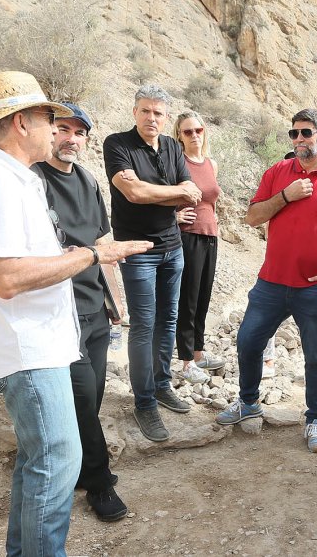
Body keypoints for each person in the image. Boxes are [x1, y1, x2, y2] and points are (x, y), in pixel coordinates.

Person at [0, 71, 151, 556]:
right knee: (58, 460)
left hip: (37, 343)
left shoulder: (10, 178)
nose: (55, 126)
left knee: (39, 461)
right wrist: (90, 256)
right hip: (27, 349)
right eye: (47, 117)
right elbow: (9, 277)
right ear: (22, 122)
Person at [215, 109, 317, 453]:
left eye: (306, 133)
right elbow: (253, 217)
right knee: (249, 342)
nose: (299, 139)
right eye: (294, 133)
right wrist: (286, 195)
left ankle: (315, 418)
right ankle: (248, 402)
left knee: (315, 356)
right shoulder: (278, 173)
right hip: (271, 283)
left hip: (316, 287)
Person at [33, 103, 128, 522]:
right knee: (84, 398)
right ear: (49, 132)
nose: (72, 138)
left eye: (80, 132)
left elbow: (101, 248)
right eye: (63, 129)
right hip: (59, 313)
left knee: (92, 398)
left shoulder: (88, 181)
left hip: (94, 311)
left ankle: (80, 469)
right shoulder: (33, 181)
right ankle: (99, 482)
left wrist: (114, 303)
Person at [103, 84, 203, 443]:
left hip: (173, 247)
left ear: (165, 118)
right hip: (138, 250)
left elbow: (192, 190)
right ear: (135, 112)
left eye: (158, 113)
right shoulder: (117, 145)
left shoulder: (174, 146)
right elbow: (134, 193)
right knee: (144, 324)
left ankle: (161, 385)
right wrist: (171, 193)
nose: (151, 118)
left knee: (169, 319)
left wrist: (160, 193)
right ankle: (143, 401)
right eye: (145, 111)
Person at [173, 111, 227, 385]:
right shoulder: (176, 162)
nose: (194, 135)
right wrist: (174, 216)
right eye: (188, 131)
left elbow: (212, 199)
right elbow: (163, 197)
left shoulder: (211, 163)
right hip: (188, 237)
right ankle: (185, 362)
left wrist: (213, 217)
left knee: (204, 296)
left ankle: (198, 352)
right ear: (179, 136)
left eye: (198, 130)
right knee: (189, 298)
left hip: (210, 235)